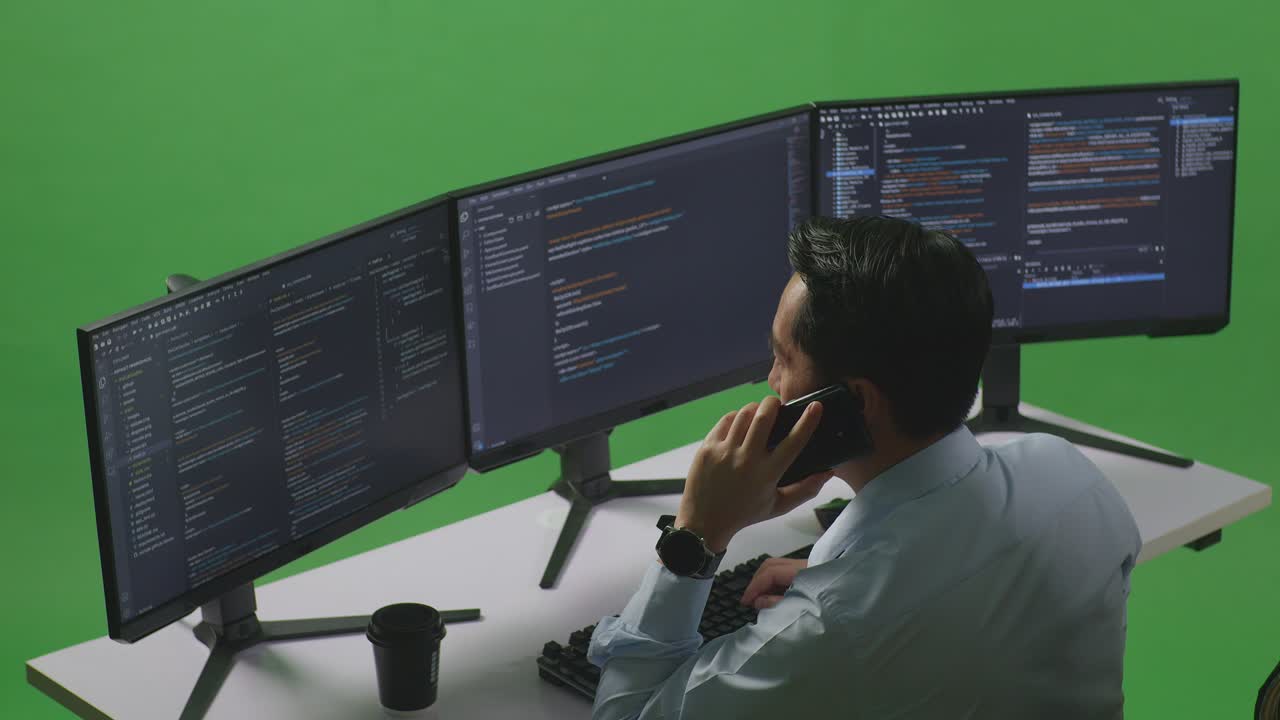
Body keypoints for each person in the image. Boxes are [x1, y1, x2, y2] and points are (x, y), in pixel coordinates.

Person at [587, 215, 1142, 719]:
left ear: (852, 399)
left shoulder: (834, 628)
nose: (771, 384)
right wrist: (852, 590)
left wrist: (696, 537)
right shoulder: (1069, 474)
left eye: (783, 359)